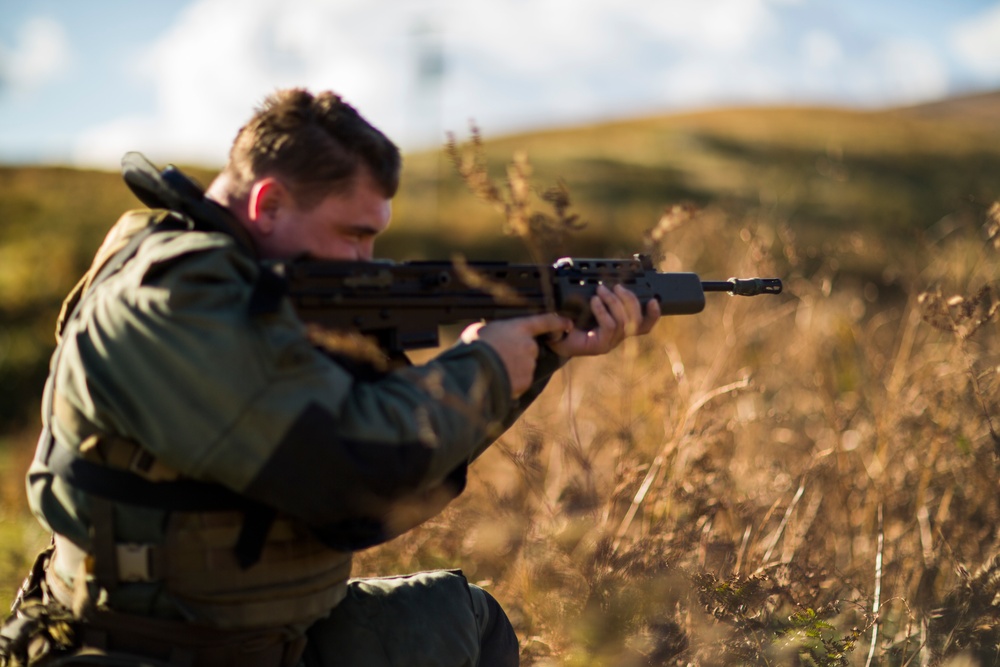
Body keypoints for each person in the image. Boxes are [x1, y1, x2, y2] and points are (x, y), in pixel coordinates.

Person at [1, 88, 660, 667]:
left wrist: (539, 349)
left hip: (269, 637)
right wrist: (485, 366)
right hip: (138, 649)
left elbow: (411, 461)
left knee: (463, 616)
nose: (366, 260)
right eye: (353, 234)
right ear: (270, 201)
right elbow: (352, 478)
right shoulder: (171, 301)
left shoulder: (261, 293)